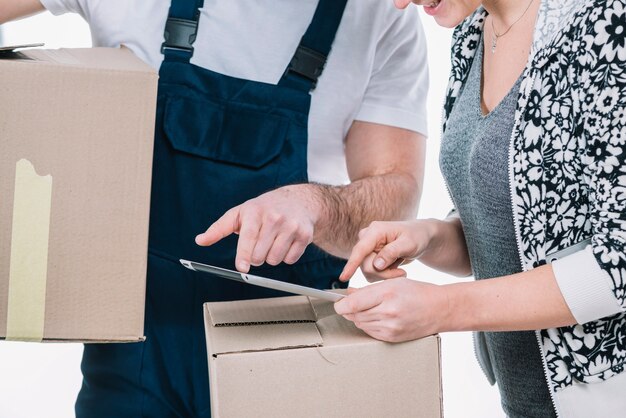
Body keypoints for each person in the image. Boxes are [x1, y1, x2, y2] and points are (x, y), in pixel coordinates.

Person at [1, 1, 429, 417]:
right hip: (133, 349)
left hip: (293, 351)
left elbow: (397, 200)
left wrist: (317, 203)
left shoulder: (382, 13)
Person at [335, 0, 626, 417]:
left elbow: (619, 264)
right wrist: (431, 236)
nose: (400, 3)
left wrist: (443, 308)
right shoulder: (472, 32)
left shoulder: (606, 23)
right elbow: (517, 227)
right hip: (525, 400)